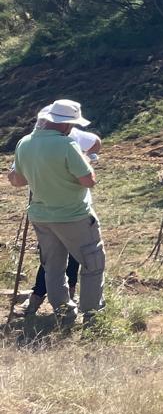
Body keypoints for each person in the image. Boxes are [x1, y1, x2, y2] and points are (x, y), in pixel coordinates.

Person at [7, 100, 108, 329]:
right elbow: (88, 180)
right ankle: (93, 317)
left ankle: (64, 313)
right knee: (93, 263)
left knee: (53, 267)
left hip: (42, 216)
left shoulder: (24, 143)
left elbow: (19, 181)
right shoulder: (66, 145)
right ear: (66, 125)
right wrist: (86, 159)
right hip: (74, 216)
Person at [20, 124, 100, 317]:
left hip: (45, 212)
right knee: (84, 259)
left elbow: (95, 143)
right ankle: (84, 311)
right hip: (71, 212)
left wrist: (85, 159)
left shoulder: (30, 142)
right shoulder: (58, 142)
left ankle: (58, 305)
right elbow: (89, 180)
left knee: (54, 261)